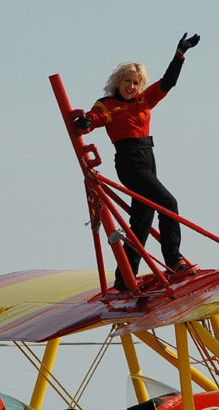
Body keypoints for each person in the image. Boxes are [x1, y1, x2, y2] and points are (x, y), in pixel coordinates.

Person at [74, 32, 200, 291]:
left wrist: (180, 54)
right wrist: (85, 122)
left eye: (135, 82)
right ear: (118, 82)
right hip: (130, 162)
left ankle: (125, 278)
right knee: (168, 202)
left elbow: (168, 83)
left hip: (148, 156)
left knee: (142, 220)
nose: (130, 87)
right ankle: (174, 260)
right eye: (126, 81)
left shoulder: (144, 100)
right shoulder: (108, 104)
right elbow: (93, 119)